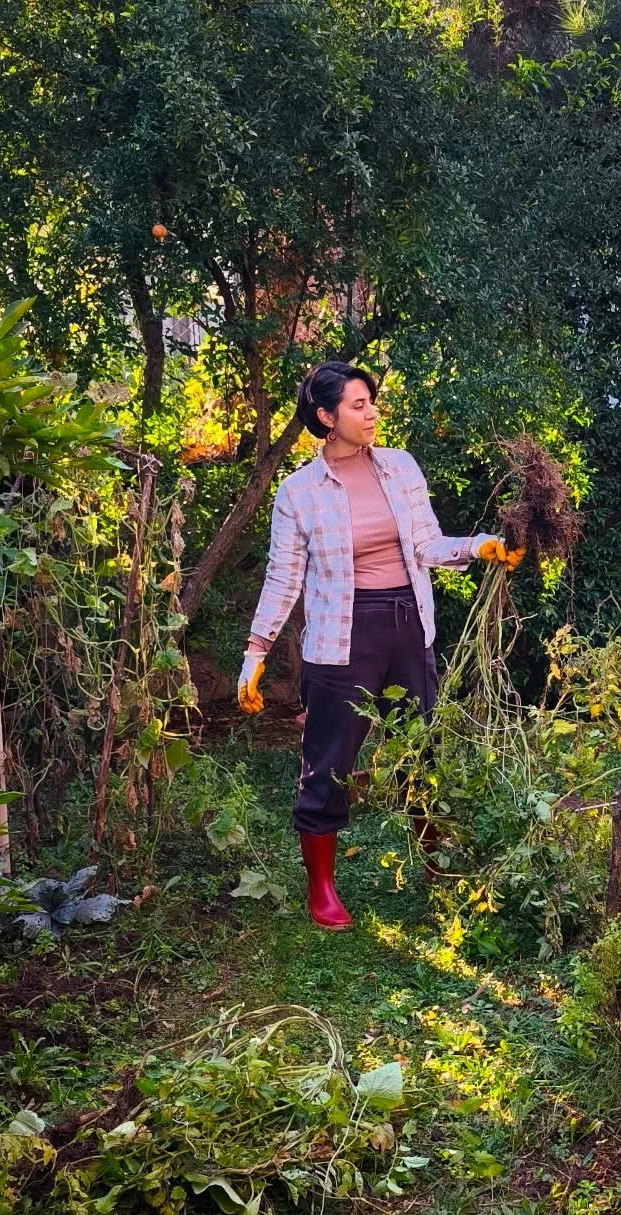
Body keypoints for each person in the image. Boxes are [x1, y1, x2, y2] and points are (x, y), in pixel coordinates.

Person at [236, 361, 521, 930]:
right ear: (326, 417)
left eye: (371, 402)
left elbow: (425, 543)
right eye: (358, 405)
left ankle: (440, 872)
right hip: (341, 639)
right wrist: (255, 654)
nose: (371, 414)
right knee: (329, 762)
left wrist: (479, 546)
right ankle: (322, 887)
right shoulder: (298, 493)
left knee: (423, 752)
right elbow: (283, 577)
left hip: (408, 626)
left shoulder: (400, 467)